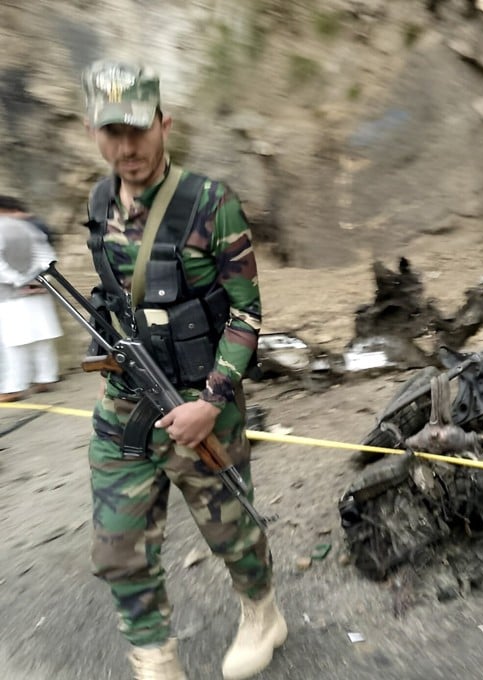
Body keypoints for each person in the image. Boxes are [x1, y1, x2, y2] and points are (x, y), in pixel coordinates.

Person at [80, 60, 285, 679]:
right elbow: (114, 298)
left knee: (233, 534)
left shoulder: (210, 203)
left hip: (199, 401)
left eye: (137, 130)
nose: (126, 147)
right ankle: (155, 657)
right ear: (94, 133)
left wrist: (212, 401)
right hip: (127, 403)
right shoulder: (96, 201)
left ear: (164, 123)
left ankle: (262, 611)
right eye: (111, 132)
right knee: (118, 546)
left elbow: (246, 315)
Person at [0, 196, 63, 401]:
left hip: (11, 296)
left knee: (13, 343)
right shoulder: (29, 228)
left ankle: (13, 387)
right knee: (41, 338)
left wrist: (19, 281)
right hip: (38, 290)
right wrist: (38, 279)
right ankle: (46, 377)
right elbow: (46, 257)